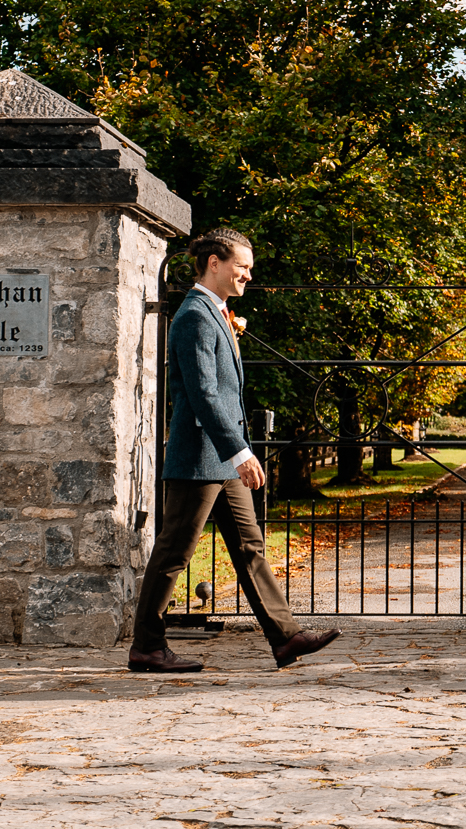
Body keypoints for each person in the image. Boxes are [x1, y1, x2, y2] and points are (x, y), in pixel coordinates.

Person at [127, 228, 340, 673]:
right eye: (241, 266)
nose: (247, 275)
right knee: (174, 553)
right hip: (200, 456)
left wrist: (235, 452)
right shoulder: (195, 316)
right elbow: (204, 395)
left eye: (249, 269)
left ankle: (285, 638)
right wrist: (240, 451)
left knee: (249, 546)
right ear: (214, 264)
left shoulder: (216, 313)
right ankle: (147, 646)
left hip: (220, 457)